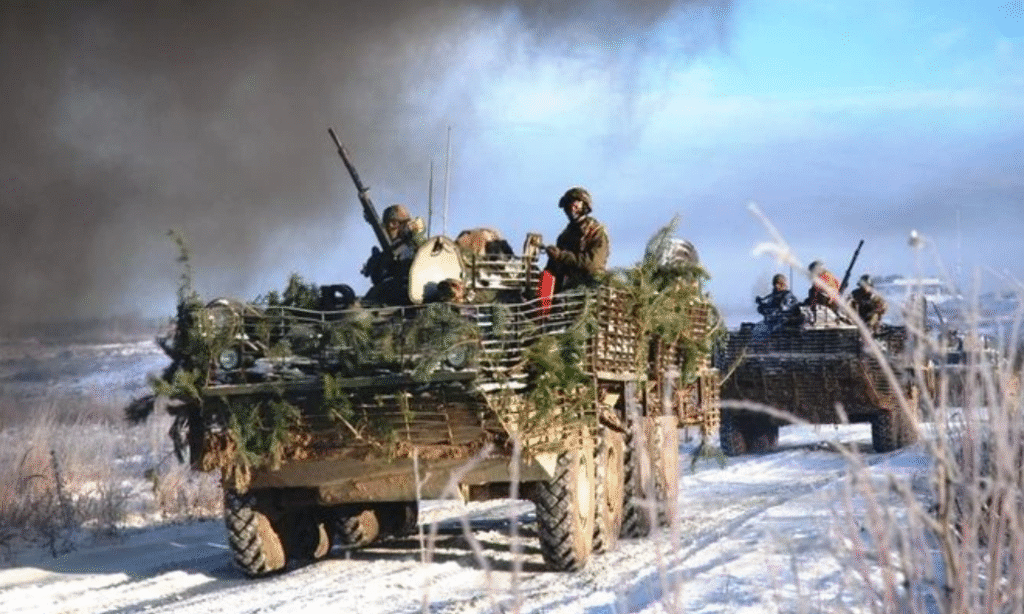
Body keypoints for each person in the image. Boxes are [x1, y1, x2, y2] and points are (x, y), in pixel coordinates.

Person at [544, 187, 610, 292]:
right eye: (567, 203)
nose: (571, 207)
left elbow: (593, 265)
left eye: (575, 203)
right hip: (567, 291)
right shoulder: (564, 237)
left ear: (584, 205)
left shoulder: (595, 232)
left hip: (592, 290)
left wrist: (561, 256)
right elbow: (552, 272)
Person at [361, 204, 426, 303]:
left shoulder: (417, 246)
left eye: (395, 223)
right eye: (390, 223)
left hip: (406, 297)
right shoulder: (386, 254)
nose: (390, 227)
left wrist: (415, 236)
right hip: (389, 298)